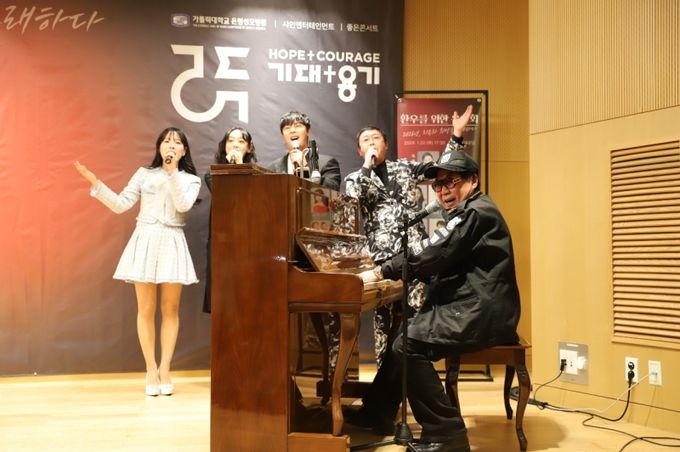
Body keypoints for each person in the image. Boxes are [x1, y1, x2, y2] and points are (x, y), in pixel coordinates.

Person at [345, 107, 521, 452]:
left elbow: (431, 253)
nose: (443, 190)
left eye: (451, 182)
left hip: (482, 311)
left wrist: (380, 271)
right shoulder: (470, 210)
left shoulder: (476, 213)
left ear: (473, 181)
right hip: (469, 304)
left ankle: (447, 432)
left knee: (407, 344)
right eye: (438, 184)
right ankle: (377, 412)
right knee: (403, 337)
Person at [74, 127, 201, 397]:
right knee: (146, 308)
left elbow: (183, 205)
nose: (171, 146)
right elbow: (121, 204)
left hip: (172, 240)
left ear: (184, 150)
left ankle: (165, 369)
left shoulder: (190, 179)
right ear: (159, 147)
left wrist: (172, 173)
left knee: (170, 308)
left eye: (176, 143)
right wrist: (97, 185)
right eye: (166, 141)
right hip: (145, 239)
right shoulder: (144, 174)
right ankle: (151, 369)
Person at [343, 126, 433, 367]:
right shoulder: (354, 177)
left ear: (386, 144)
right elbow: (355, 198)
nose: (372, 142)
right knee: (384, 320)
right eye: (366, 140)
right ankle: (385, 377)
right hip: (383, 260)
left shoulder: (405, 168)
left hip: (414, 253)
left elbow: (437, 170)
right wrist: (367, 165)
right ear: (360, 150)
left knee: (416, 316)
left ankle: (417, 373)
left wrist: (456, 136)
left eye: (376, 138)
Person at [203, 127, 257, 313]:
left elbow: (249, 198)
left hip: (249, 240)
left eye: (241, 141)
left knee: (246, 296)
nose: (235, 144)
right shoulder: (212, 174)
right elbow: (227, 196)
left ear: (249, 148)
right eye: (231, 140)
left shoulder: (258, 175)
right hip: (222, 240)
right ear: (224, 146)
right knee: (221, 296)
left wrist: (241, 165)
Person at [267, 111, 341, 190]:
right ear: (282, 137)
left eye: (297, 126)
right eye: (287, 128)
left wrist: (304, 166)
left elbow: (333, 190)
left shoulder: (327, 163)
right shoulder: (272, 169)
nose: (292, 130)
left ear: (308, 131)